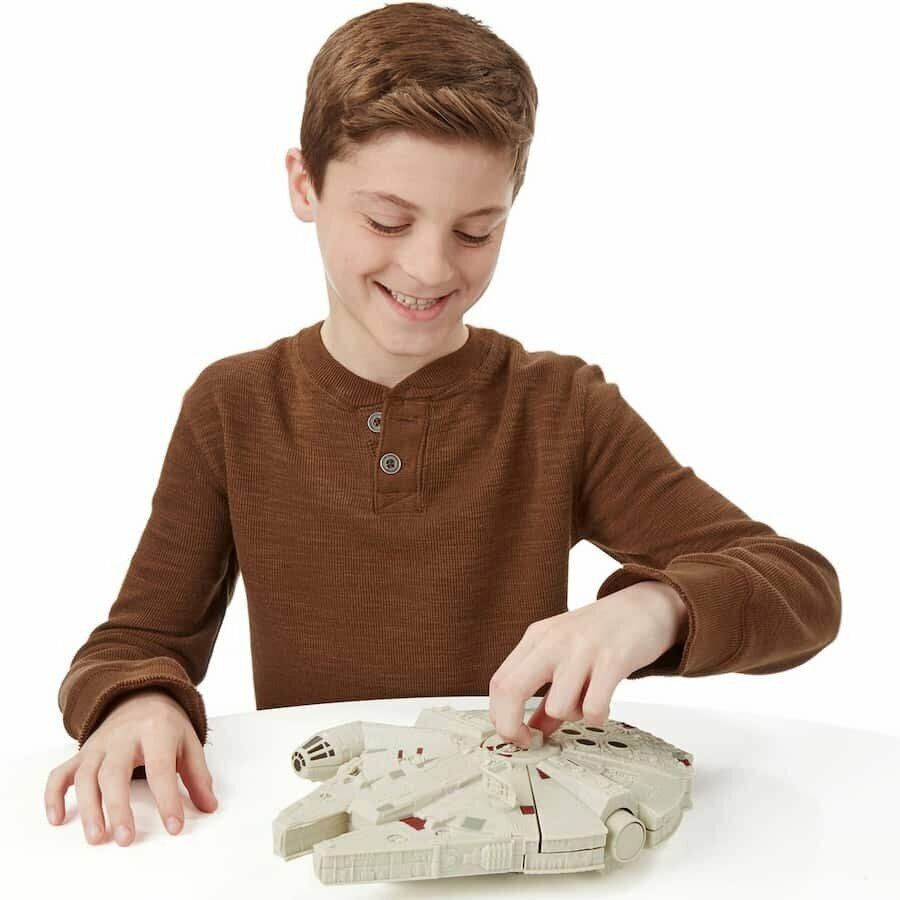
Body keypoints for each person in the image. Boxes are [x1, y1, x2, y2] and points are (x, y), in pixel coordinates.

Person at [44, 1, 841, 849]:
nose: (428, 267)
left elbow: (800, 588)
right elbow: (133, 642)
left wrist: (654, 607)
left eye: (475, 231)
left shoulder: (560, 408)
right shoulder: (233, 406)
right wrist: (140, 699)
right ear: (304, 185)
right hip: (324, 844)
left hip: (519, 847)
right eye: (387, 222)